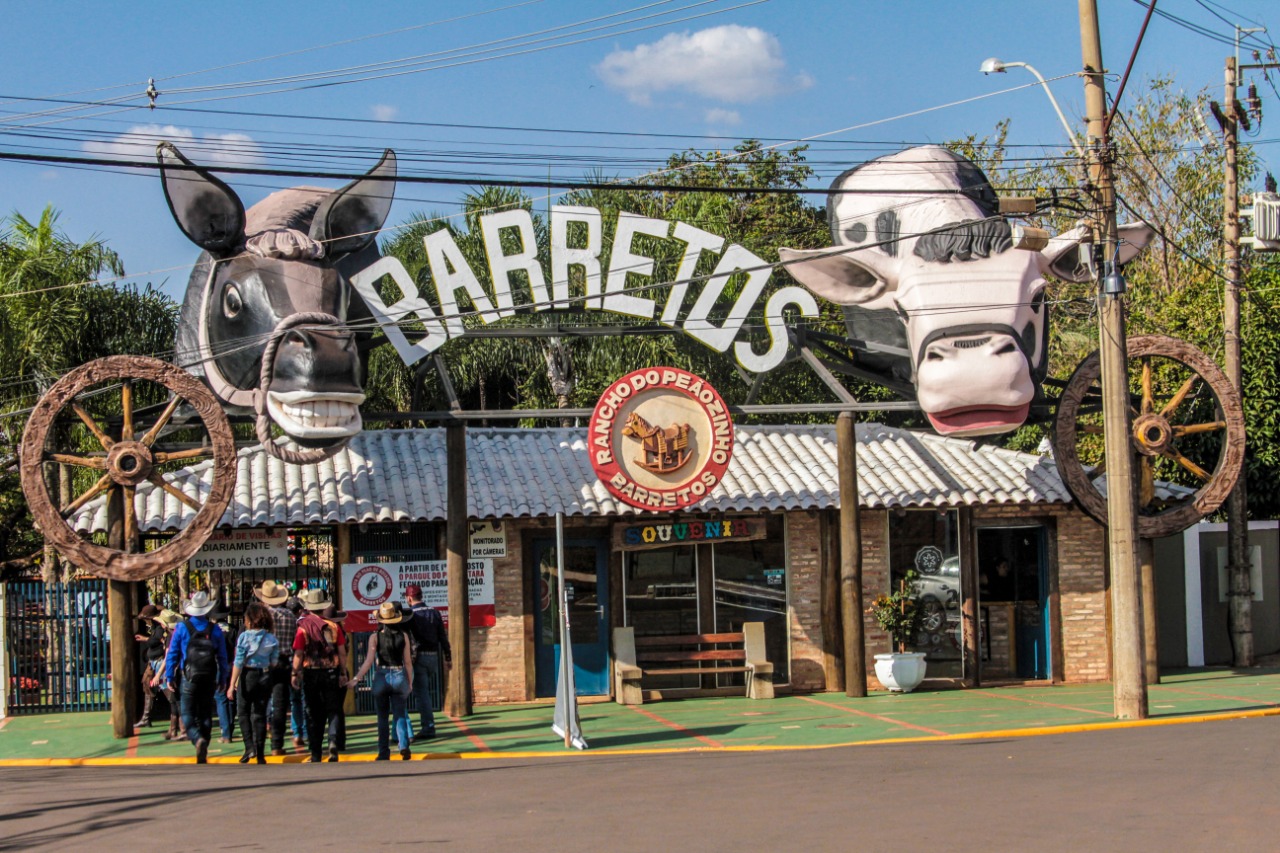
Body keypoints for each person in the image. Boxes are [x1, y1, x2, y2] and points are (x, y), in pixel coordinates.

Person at [163, 591, 230, 764]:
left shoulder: (181, 628)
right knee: (205, 713)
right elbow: (222, 657)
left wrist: (169, 676)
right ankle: (204, 744)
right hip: (209, 676)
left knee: (187, 713)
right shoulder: (214, 630)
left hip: (189, 676)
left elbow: (173, 654)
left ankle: (196, 738)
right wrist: (223, 678)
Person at [350, 601, 414, 761]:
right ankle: (404, 746)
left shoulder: (375, 637)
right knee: (399, 714)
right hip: (399, 674)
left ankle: (383, 751)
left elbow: (368, 661)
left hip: (382, 676)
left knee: (382, 717)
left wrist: (357, 678)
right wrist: (410, 681)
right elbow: (408, 662)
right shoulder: (403, 636)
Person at [291, 589, 348, 763]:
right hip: (331, 672)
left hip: (311, 673)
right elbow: (342, 652)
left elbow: (299, 654)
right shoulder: (334, 627)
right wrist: (343, 672)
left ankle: (316, 751)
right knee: (333, 710)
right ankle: (332, 741)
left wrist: (295, 673)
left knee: (313, 712)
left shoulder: (303, 628)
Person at [227, 602, 280, 764]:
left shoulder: (244, 637)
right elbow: (274, 662)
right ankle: (261, 752)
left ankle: (249, 747)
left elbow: (238, 661)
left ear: (249, 620)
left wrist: (232, 684)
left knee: (243, 712)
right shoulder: (271, 638)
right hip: (264, 676)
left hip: (247, 675)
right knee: (260, 714)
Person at [253, 580, 298, 756]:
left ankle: (259, 744)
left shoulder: (261, 617)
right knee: (280, 704)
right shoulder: (290, 616)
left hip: (264, 662)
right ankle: (277, 745)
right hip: (284, 661)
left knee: (260, 704)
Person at [404, 583, 451, 741]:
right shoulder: (435, 613)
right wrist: (448, 657)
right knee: (424, 692)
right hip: (433, 657)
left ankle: (428, 727)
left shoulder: (409, 614)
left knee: (421, 694)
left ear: (409, 598)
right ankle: (427, 724)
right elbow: (443, 637)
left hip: (418, 658)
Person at [150, 609, 184, 741]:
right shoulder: (176, 633)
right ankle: (174, 729)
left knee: (175, 700)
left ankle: (181, 729)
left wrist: (159, 674)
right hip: (176, 669)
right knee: (174, 700)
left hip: (174, 670)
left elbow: (168, 657)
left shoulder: (172, 636)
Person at [322, 604, 349, 750]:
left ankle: (331, 739)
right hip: (340, 669)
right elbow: (345, 652)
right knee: (338, 708)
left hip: (329, 670)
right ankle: (340, 741)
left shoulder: (323, 631)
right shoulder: (342, 632)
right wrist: (344, 672)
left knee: (326, 709)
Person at [133, 604, 164, 727]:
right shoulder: (155, 628)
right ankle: (146, 717)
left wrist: (146, 639)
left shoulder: (160, 628)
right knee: (147, 686)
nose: (146, 622)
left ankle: (179, 722)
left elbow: (156, 640)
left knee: (168, 691)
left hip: (160, 661)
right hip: (153, 661)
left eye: (146, 619)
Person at [284, 596, 309, 750]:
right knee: (304, 700)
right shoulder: (302, 624)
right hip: (302, 664)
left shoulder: (283, 622)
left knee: (294, 701)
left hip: (288, 663)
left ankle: (297, 732)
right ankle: (304, 731)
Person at [212, 608, 237, 744]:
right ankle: (230, 728)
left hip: (217, 664)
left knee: (220, 698)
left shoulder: (212, 629)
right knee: (231, 696)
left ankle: (226, 733)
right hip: (231, 663)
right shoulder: (232, 629)